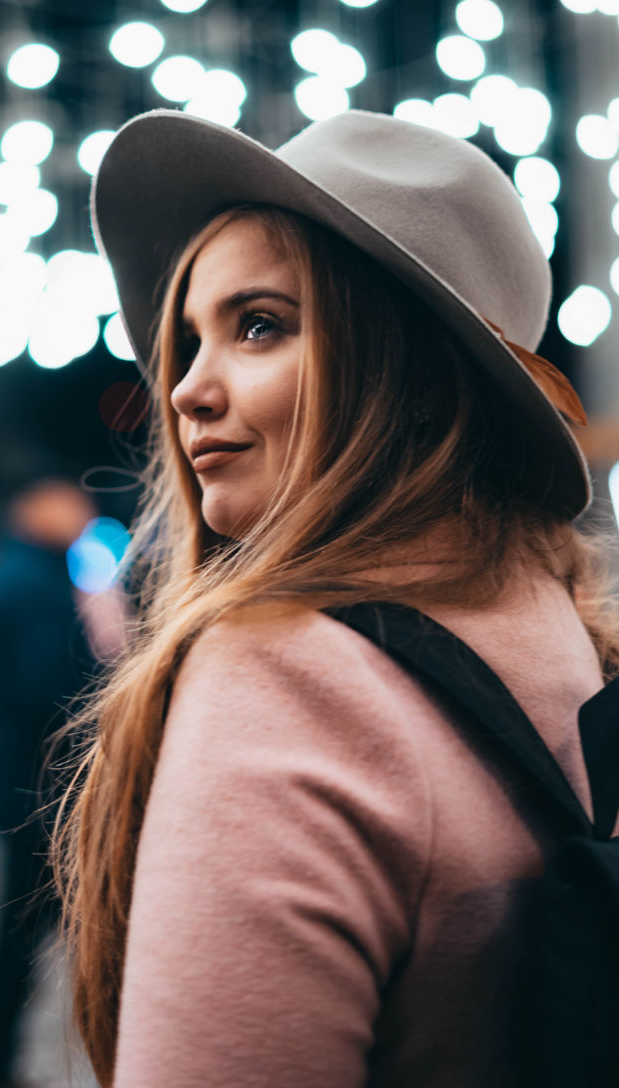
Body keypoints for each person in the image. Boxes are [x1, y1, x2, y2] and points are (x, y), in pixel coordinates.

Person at [54, 107, 617, 1088]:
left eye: (258, 325)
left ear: (411, 373)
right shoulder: (561, 624)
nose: (184, 387)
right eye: (190, 338)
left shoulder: (284, 670)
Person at [0, 476, 111, 1088]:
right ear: (34, 504)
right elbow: (49, 690)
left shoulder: (23, 568)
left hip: (30, 790)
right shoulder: (27, 579)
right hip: (39, 796)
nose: (84, 513)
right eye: (72, 500)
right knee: (30, 934)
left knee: (27, 933)